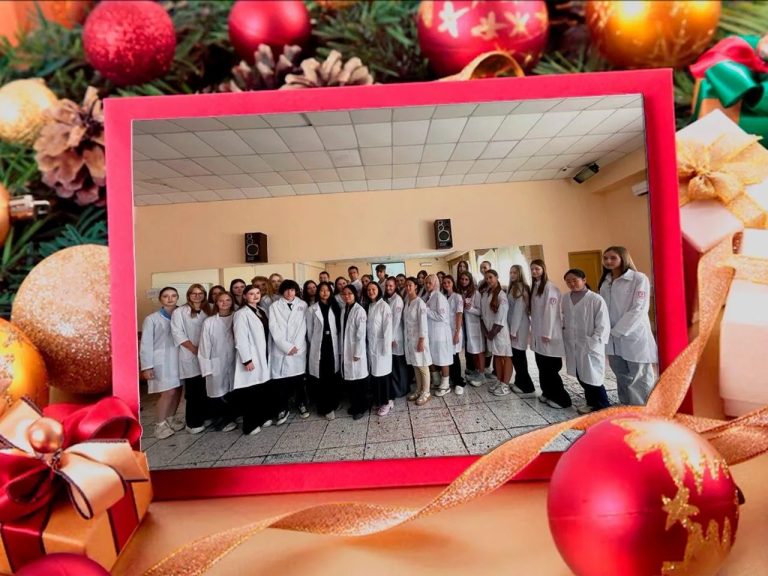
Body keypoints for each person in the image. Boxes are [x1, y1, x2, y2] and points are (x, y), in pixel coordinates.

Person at [598, 246, 658, 405]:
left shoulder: (638, 278)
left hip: (633, 335)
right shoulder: (605, 282)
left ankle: (642, 409)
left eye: (613, 258)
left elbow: (639, 308)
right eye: (605, 258)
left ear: (623, 258)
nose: (608, 261)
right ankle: (625, 405)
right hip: (612, 337)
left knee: (639, 375)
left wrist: (617, 331)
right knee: (621, 373)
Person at [563, 269, 612, 414]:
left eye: (575, 280)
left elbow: (603, 325)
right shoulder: (566, 298)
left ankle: (602, 406)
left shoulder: (595, 299)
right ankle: (591, 403)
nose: (572, 284)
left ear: (584, 280)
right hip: (573, 344)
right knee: (581, 375)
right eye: (568, 281)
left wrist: (594, 342)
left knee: (593, 377)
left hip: (590, 345)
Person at [140, 287, 183, 439]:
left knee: (178, 390)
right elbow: (146, 344)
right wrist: (147, 366)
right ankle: (159, 425)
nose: (170, 299)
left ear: (177, 297)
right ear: (160, 299)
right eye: (166, 296)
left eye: (173, 296)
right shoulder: (152, 319)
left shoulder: (181, 314)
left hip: (179, 359)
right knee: (168, 392)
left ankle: (170, 419)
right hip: (161, 362)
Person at [530, 259, 571, 409]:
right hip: (538, 334)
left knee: (551, 368)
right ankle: (547, 392)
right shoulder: (535, 287)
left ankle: (561, 399)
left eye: (537, 269)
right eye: (532, 269)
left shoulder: (550, 287)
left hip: (549, 334)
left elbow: (551, 311)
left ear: (543, 269)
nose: (534, 271)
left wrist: (547, 332)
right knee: (542, 366)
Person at [233, 285, 274, 435]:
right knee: (251, 392)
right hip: (251, 357)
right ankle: (249, 425)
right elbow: (240, 338)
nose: (255, 296)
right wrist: (247, 360)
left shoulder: (261, 310)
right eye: (251, 293)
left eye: (257, 293)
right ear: (244, 296)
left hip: (263, 354)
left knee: (261, 389)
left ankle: (261, 417)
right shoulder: (241, 314)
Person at [170, 284, 209, 435]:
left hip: (207, 355)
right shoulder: (180, 312)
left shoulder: (208, 309)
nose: (197, 296)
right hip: (190, 354)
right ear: (188, 295)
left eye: (200, 293)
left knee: (205, 389)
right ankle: (192, 423)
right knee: (193, 391)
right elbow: (177, 332)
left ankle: (205, 417)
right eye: (194, 293)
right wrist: (193, 349)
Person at [268, 279, 309, 423]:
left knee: (299, 380)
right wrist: (286, 346)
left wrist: (295, 345)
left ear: (296, 291)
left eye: (292, 290)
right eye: (286, 290)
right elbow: (273, 328)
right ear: (281, 291)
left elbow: (303, 326)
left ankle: (301, 403)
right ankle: (282, 408)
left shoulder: (303, 305)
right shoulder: (274, 306)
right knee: (282, 382)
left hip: (298, 348)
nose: (289, 293)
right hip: (281, 349)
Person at [198, 291, 238, 432]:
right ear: (216, 302)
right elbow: (204, 346)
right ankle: (221, 421)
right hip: (216, 362)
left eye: (228, 300)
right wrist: (207, 368)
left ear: (232, 302)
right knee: (217, 392)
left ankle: (233, 417)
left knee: (233, 391)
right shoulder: (209, 322)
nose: (224, 303)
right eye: (221, 300)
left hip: (235, 360)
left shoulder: (237, 316)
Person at [306, 281, 341, 420]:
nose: (325, 292)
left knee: (333, 375)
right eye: (322, 290)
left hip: (333, 345)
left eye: (327, 290)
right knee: (323, 377)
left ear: (330, 292)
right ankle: (325, 408)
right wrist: (316, 344)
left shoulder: (335, 307)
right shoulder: (311, 309)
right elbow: (309, 332)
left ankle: (334, 402)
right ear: (318, 292)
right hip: (320, 347)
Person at [481, 270, 513, 396]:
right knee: (497, 357)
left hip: (499, 332)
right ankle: (499, 380)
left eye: (491, 277)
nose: (488, 280)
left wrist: (492, 333)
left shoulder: (501, 295)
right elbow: (484, 314)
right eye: (486, 278)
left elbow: (501, 316)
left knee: (506, 356)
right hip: (491, 332)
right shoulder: (487, 293)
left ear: (496, 277)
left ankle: (505, 385)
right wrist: (487, 331)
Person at [339, 284, 369, 420]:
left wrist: (358, 352)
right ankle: (355, 405)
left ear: (355, 295)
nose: (347, 296)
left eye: (349, 294)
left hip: (356, 352)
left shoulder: (359, 311)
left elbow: (361, 334)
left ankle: (361, 407)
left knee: (358, 382)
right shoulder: (344, 309)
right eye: (344, 294)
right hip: (347, 350)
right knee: (351, 381)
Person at [403, 277, 432, 405]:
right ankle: (419, 390)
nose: (408, 287)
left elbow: (423, 323)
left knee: (423, 366)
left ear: (416, 286)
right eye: (406, 285)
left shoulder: (420, 303)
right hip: (410, 340)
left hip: (419, 339)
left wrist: (421, 340)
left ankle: (426, 392)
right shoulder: (407, 302)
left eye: (410, 285)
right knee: (416, 365)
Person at [507, 265, 535, 398]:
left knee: (519, 357)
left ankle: (526, 386)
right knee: (517, 356)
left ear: (520, 274)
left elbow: (518, 310)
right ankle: (520, 382)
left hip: (519, 326)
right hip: (516, 325)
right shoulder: (514, 287)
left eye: (515, 272)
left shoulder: (520, 287)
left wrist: (513, 331)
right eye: (511, 272)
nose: (512, 275)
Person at [366, 282, 394, 416]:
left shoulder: (384, 306)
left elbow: (388, 328)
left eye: (373, 289)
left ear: (378, 290)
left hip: (382, 347)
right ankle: (382, 400)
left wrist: (386, 348)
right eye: (369, 290)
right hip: (373, 346)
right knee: (376, 376)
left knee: (384, 376)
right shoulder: (370, 306)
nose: (371, 291)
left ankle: (387, 402)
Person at [424, 274, 453, 397]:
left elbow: (442, 316)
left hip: (441, 334)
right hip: (432, 334)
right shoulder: (429, 296)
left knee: (443, 359)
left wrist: (426, 311)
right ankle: (436, 380)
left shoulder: (439, 297)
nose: (427, 285)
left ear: (435, 283)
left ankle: (445, 385)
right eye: (426, 283)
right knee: (433, 357)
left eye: (430, 283)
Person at [458, 271, 486, 386]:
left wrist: (469, 309)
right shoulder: (461, 293)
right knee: (473, 351)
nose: (464, 281)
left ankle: (482, 375)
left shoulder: (476, 293)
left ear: (470, 281)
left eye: (466, 279)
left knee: (479, 351)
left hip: (475, 327)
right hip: (466, 327)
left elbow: (480, 312)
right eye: (462, 279)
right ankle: (477, 372)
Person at [384, 277, 409, 398]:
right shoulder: (388, 299)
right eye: (387, 285)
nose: (388, 288)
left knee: (399, 364)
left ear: (395, 287)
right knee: (394, 364)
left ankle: (402, 389)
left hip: (396, 336)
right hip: (391, 336)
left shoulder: (398, 300)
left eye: (391, 286)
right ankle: (397, 388)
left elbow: (396, 320)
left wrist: (391, 338)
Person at [442, 274, 466, 395]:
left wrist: (456, 333)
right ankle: (452, 378)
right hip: (446, 331)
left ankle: (459, 382)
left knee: (455, 356)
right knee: (448, 356)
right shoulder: (443, 297)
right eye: (444, 283)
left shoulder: (457, 297)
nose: (446, 284)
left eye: (448, 282)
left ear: (452, 283)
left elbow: (459, 314)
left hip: (455, 330)